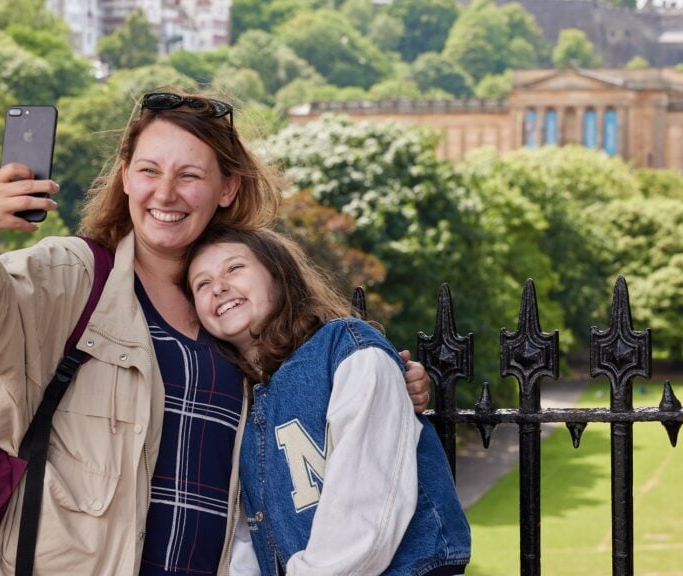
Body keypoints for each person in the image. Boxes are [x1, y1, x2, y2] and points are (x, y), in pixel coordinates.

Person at [0, 90, 431, 575]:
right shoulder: (74, 276)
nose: (166, 193)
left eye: (190, 175)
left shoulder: (239, 308)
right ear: (126, 176)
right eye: (150, 170)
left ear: (227, 188)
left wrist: (386, 378)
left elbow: (311, 402)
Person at [185, 225, 471, 576]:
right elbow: (246, 534)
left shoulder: (346, 350)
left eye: (234, 268)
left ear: (278, 274)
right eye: (202, 283)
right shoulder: (238, 401)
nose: (219, 287)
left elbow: (366, 506)